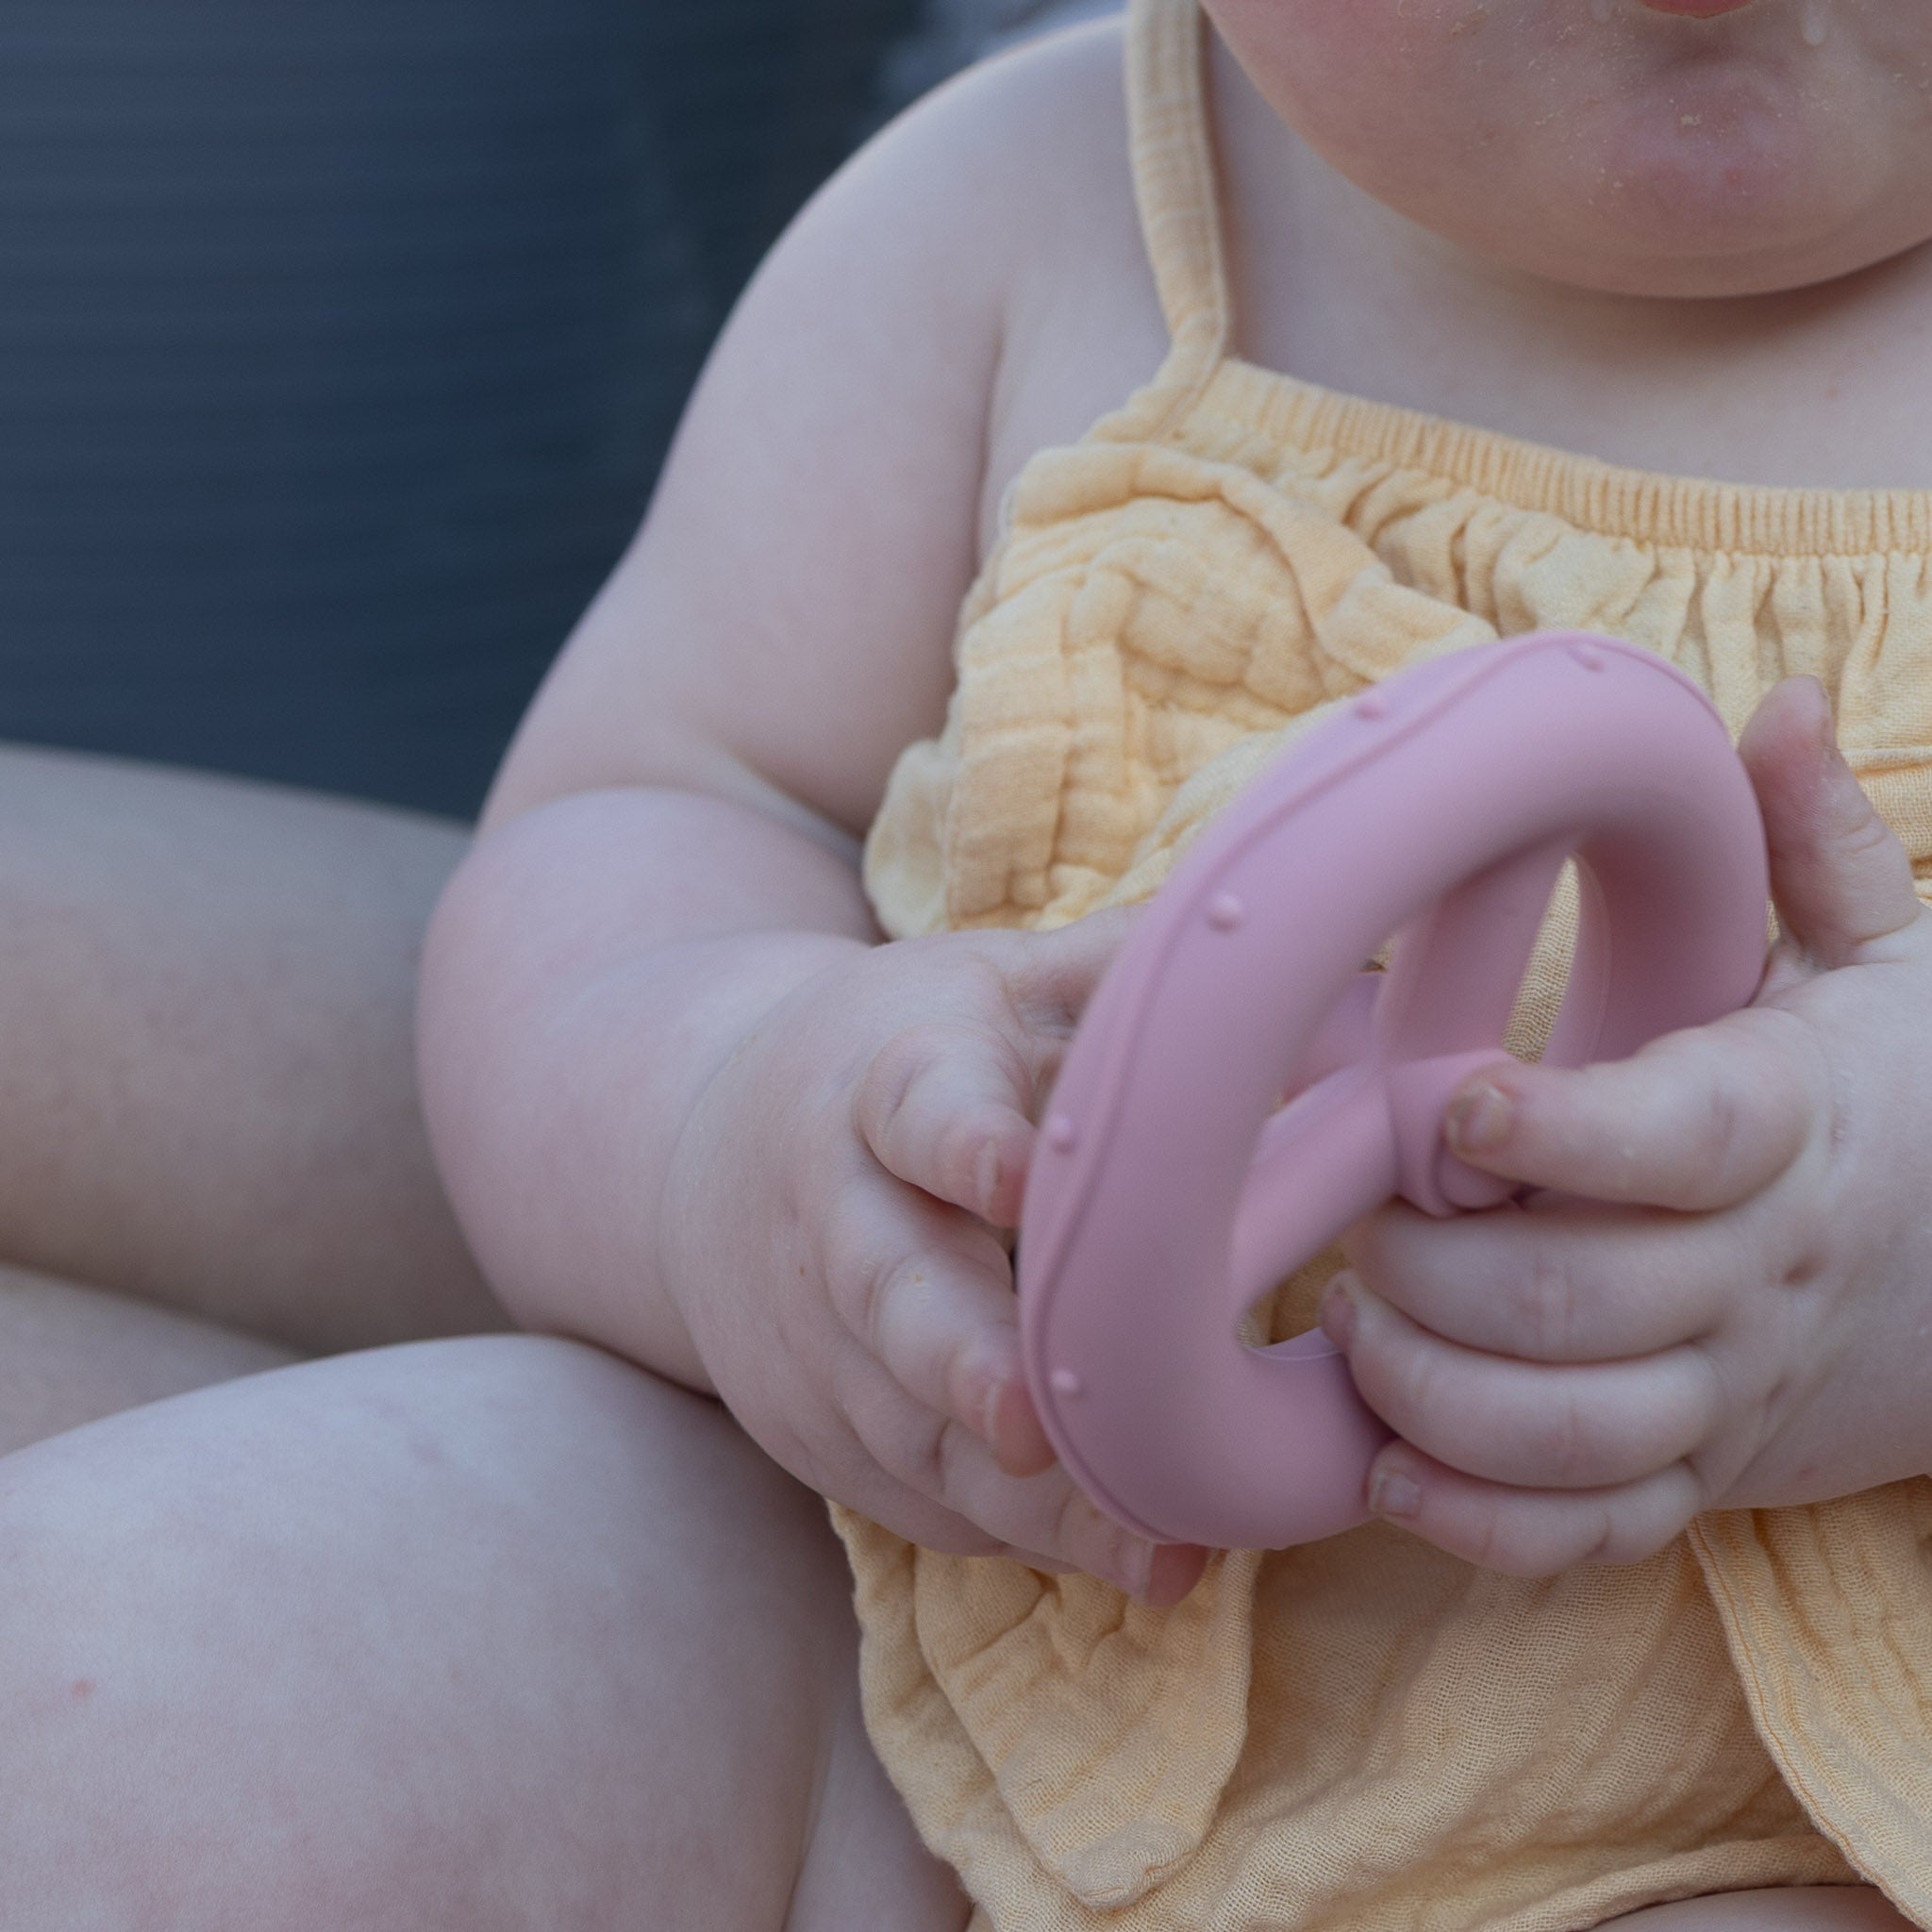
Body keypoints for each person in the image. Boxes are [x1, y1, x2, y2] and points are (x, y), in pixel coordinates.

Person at [7, 0, 1932, 1924]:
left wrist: (1884, 1249)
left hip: (1792, 1808)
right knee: (163, 1657)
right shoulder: (1014, 210)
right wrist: (730, 1110)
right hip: (914, 1665)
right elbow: (660, 805)